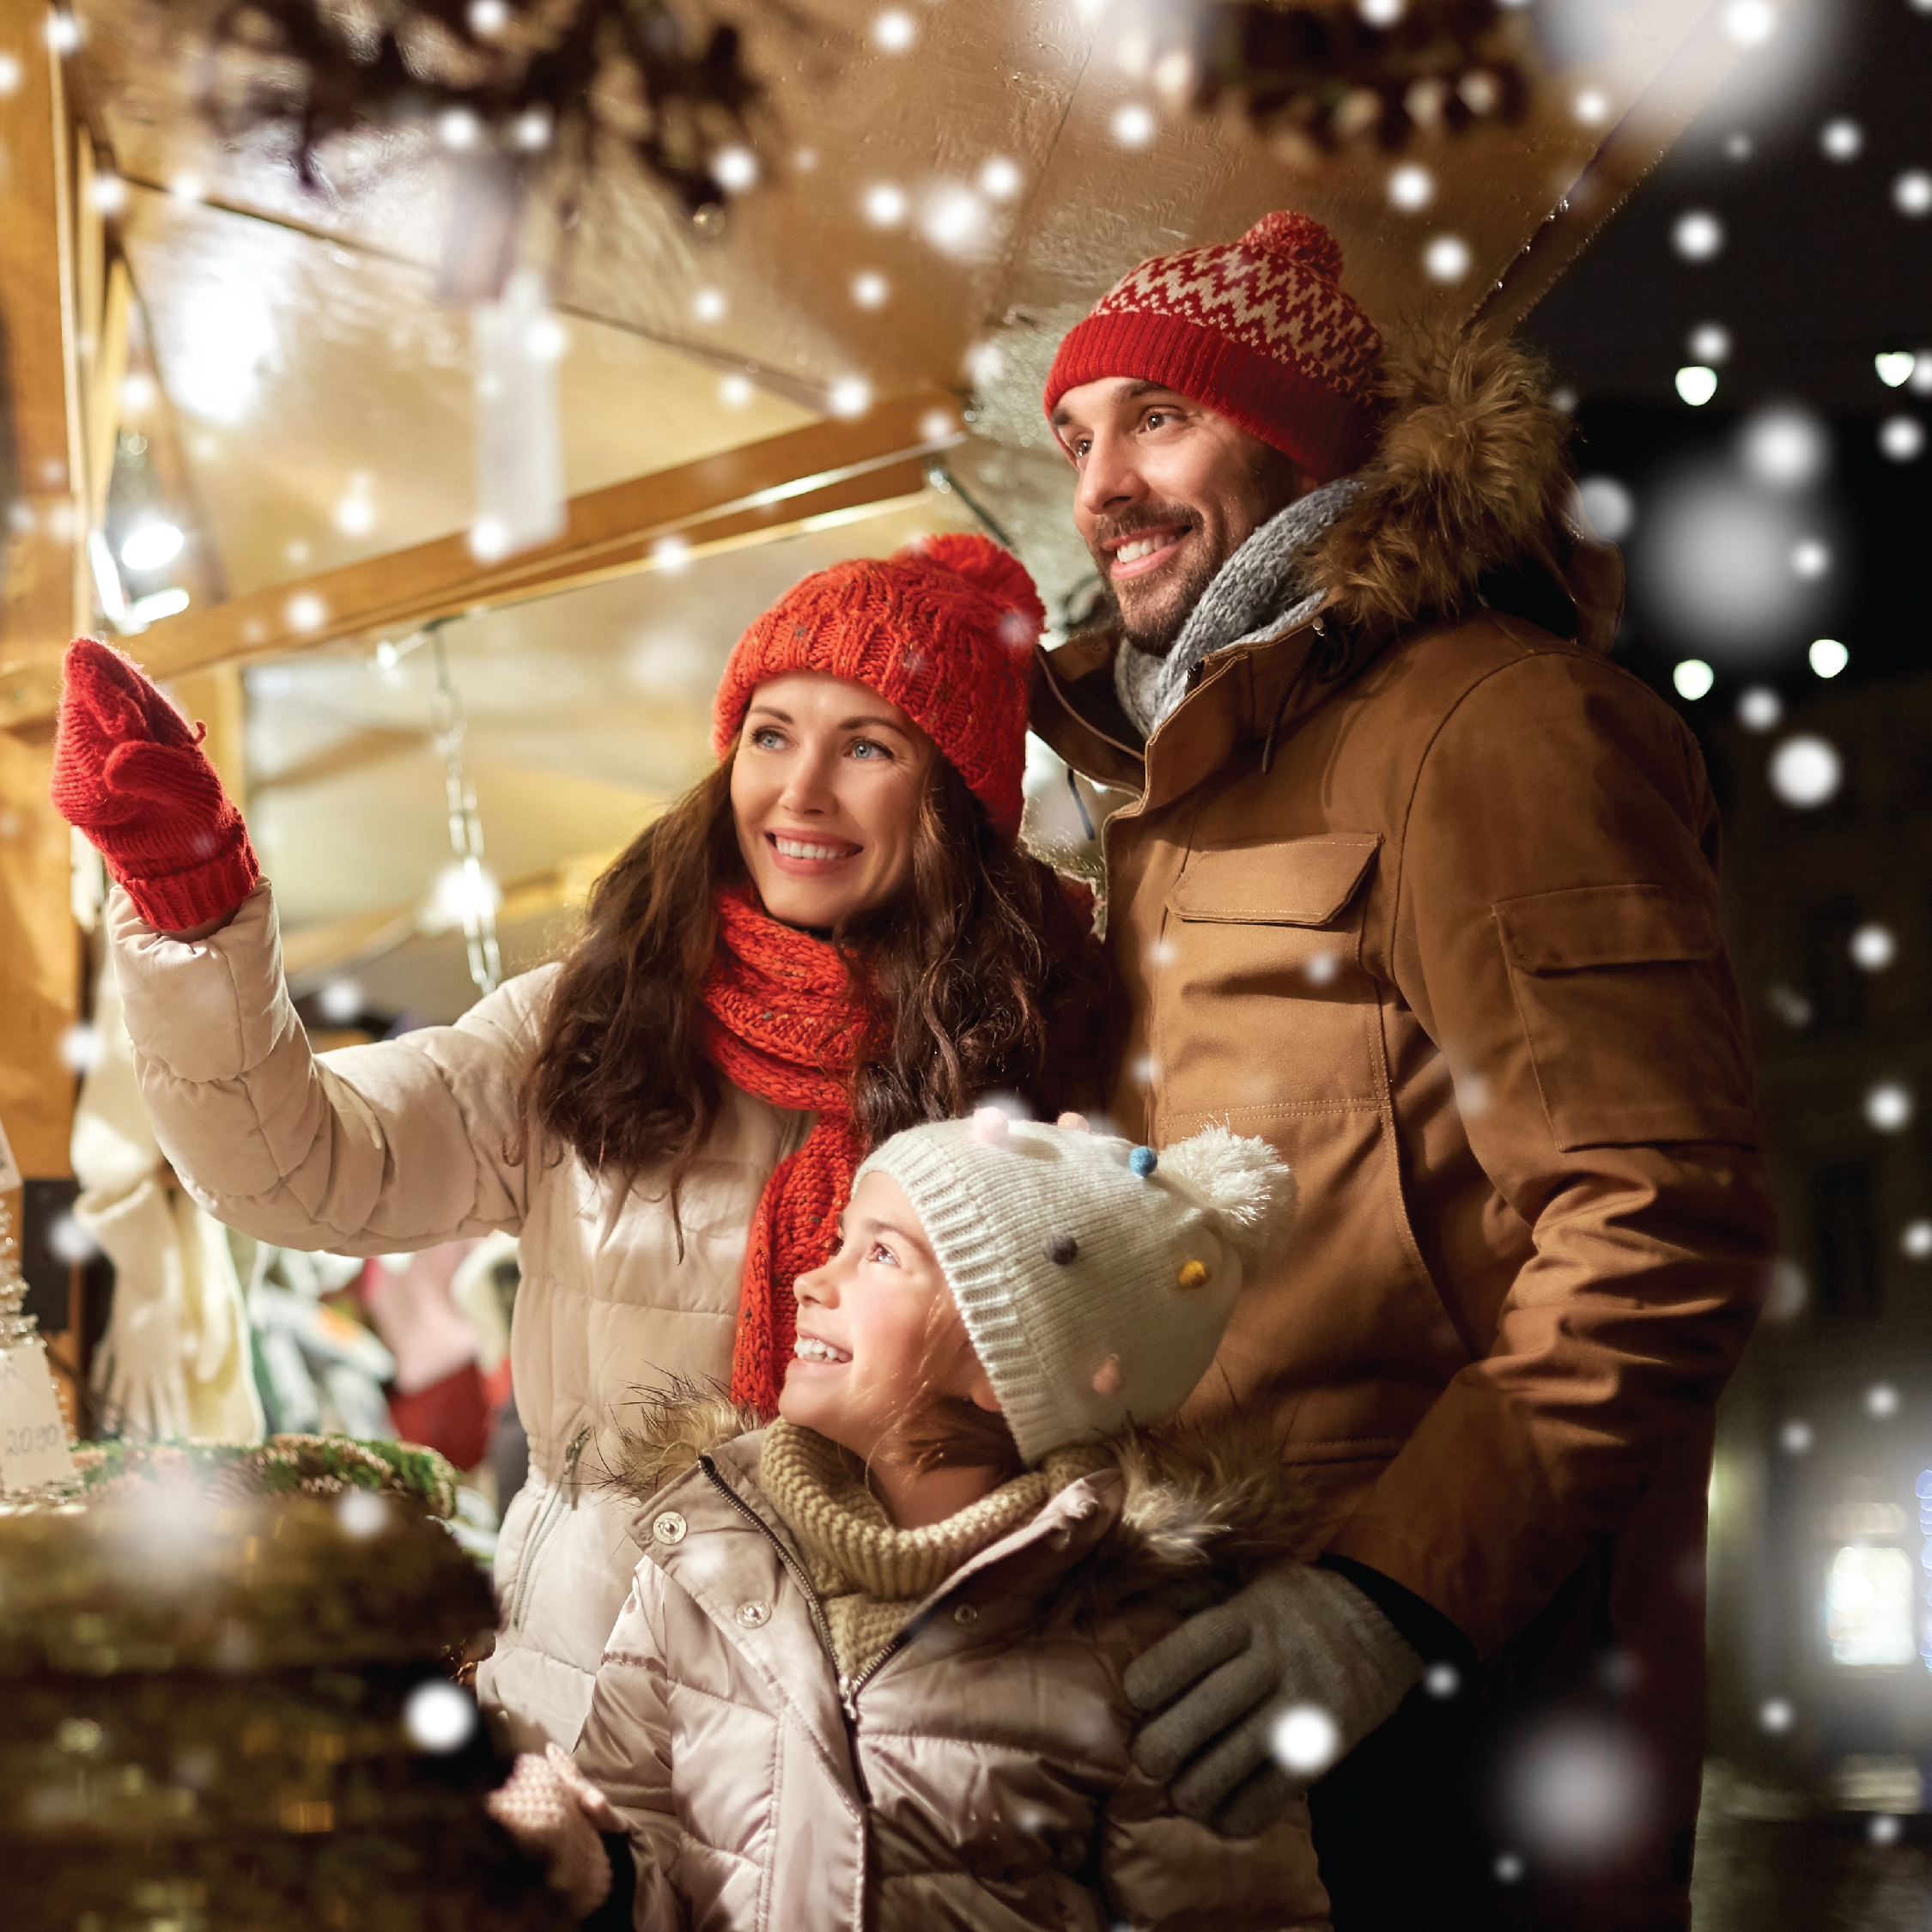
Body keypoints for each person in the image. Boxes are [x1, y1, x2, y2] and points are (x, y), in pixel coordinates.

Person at [48, 532, 1107, 1754]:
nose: (798, 792)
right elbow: (308, 1166)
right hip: (596, 1706)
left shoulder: (1046, 1042)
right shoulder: (601, 1014)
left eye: (865, 745)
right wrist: (193, 902)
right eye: (770, 733)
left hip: (902, 1725)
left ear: (956, 796)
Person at [1030, 210, 1775, 1929]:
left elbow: (1657, 1217)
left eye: (1160, 418)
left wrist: (1385, 1599)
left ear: (1300, 436)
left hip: (1463, 1697)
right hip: (1219, 1685)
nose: (1100, 487)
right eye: (1078, 438)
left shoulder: (1496, 725)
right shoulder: (1180, 788)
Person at [493, 1109, 1337, 1931]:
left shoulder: (1141, 1645)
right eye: (839, 1245)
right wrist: (585, 1867)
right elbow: (646, 1861)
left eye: (883, 1255)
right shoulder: (699, 1560)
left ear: (1006, 1360)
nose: (811, 1280)